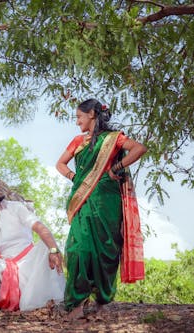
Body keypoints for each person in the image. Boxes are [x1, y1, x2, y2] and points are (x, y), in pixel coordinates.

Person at [56, 98, 148, 319]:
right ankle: (76, 303)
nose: (77, 122)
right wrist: (74, 177)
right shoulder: (78, 141)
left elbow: (139, 149)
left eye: (79, 117)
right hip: (83, 199)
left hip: (107, 200)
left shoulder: (113, 139)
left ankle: (102, 302)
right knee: (77, 250)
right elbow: (60, 163)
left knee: (106, 251)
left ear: (92, 115)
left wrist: (116, 167)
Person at [0, 172, 65, 312]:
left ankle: (50, 301)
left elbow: (40, 228)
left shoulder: (15, 207)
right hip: (2, 267)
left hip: (29, 264)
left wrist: (54, 250)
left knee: (45, 248)